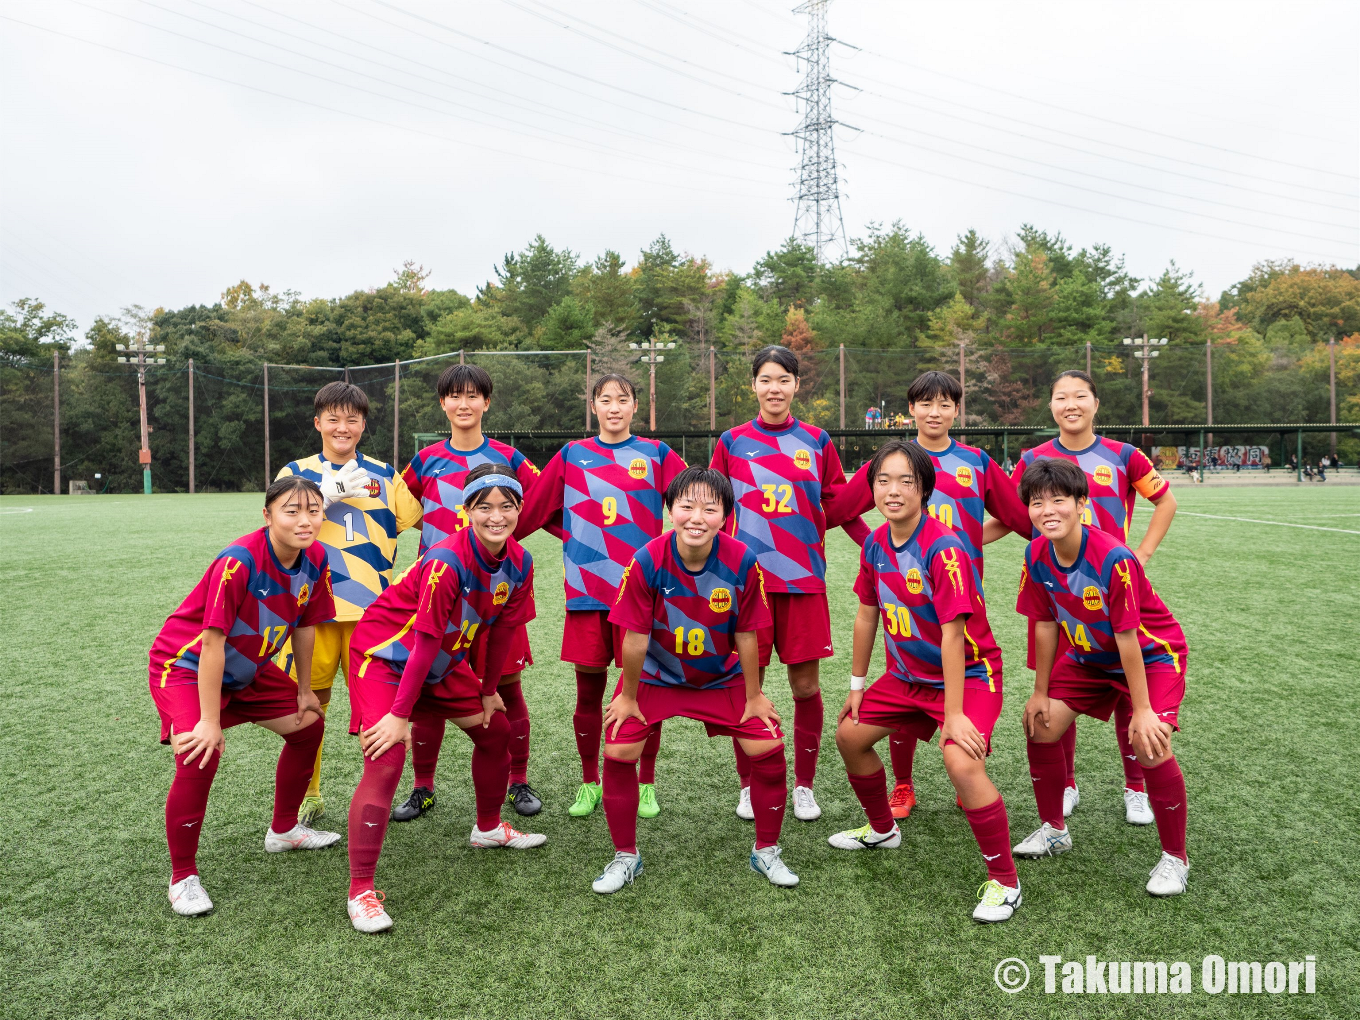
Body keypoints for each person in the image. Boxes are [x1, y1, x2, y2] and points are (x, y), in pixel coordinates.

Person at [343, 463, 546, 933]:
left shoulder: (521, 561)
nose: (496, 516)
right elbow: (423, 642)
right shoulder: (445, 561)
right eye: (484, 507)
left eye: (507, 506)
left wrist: (490, 689)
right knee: (387, 754)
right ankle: (361, 891)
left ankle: (488, 827)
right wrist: (399, 715)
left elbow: (502, 629)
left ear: (519, 509)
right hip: (386, 657)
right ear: (466, 510)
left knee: (496, 733)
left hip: (441, 660)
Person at [827, 441, 1021, 923]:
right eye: (883, 481)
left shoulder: (945, 548)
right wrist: (857, 684)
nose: (892, 491)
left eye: (905, 482)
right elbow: (867, 615)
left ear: (925, 490)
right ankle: (882, 828)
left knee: (960, 758)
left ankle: (1005, 881)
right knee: (849, 735)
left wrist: (953, 715)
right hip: (905, 677)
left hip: (970, 676)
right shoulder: (874, 543)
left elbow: (954, 638)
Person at [824, 371, 1030, 820]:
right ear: (911, 408)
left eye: (944, 404)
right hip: (906, 598)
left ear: (957, 409)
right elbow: (837, 511)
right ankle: (902, 784)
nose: (934, 412)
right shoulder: (890, 463)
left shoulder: (975, 461)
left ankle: (966, 768)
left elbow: (1020, 519)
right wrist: (878, 551)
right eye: (925, 403)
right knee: (906, 674)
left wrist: (971, 540)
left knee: (953, 677)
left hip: (957, 600)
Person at [593, 467, 798, 893]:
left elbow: (747, 632)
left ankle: (767, 850)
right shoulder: (647, 559)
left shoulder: (743, 560)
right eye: (686, 506)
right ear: (670, 511)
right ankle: (625, 856)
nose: (696, 517)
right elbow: (635, 636)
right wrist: (628, 697)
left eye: (710, 508)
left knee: (769, 747)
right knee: (618, 750)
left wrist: (755, 694)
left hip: (720, 677)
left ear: (726, 516)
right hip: (656, 674)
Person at [148, 476, 340, 917]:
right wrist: (209, 720)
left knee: (308, 725)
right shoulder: (239, 561)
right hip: (186, 666)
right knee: (201, 751)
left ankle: (285, 830)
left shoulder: (317, 557)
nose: (304, 519)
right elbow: (211, 643)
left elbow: (305, 625)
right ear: (268, 515)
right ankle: (183, 877)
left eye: (313, 510)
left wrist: (306, 690)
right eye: (291, 511)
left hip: (247, 668)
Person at [1000, 370, 1176, 827]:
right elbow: (1018, 513)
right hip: (1059, 590)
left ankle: (1135, 786)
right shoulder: (1034, 457)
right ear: (1051, 406)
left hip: (1111, 582)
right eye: (1061, 397)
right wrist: (961, 540)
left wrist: (1143, 552)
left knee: (1125, 687)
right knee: (1061, 684)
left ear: (1096, 403)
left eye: (1080, 396)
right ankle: (1067, 785)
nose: (1071, 404)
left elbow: (1166, 502)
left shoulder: (1123, 454)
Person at [1012, 459, 1191, 897]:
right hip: (1089, 657)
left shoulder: (1114, 557)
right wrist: (1041, 691)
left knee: (1149, 744)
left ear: (1082, 504)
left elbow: (1129, 637)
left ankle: (1175, 858)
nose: (1048, 510)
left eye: (1059, 500)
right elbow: (1046, 623)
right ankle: (1055, 829)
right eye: (1037, 502)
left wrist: (1144, 709)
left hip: (1150, 656)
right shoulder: (1035, 553)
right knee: (1040, 726)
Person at [514, 373, 688, 818]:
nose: (614, 407)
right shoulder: (573, 455)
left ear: (635, 408)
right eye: (605, 399)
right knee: (588, 695)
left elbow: (694, 503)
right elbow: (532, 512)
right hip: (588, 595)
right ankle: (589, 781)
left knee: (646, 692)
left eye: (623, 400)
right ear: (593, 406)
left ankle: (645, 783)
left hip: (645, 597)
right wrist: (570, 536)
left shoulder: (657, 454)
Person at [709, 345, 871, 824]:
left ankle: (803, 786)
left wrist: (875, 546)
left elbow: (840, 505)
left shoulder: (818, 441)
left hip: (803, 584)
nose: (774, 388)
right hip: (746, 587)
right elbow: (711, 508)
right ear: (753, 385)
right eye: (765, 379)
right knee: (745, 687)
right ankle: (748, 784)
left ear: (796, 385)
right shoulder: (733, 441)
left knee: (804, 687)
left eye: (783, 380)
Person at [397, 363, 553, 820]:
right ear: (442, 403)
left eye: (473, 396)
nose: (464, 404)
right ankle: (423, 786)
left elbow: (542, 502)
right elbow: (396, 513)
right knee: (429, 691)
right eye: (454, 396)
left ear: (487, 402)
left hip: (496, 595)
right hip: (440, 597)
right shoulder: (425, 460)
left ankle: (517, 780)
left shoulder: (510, 458)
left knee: (507, 688)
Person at [273, 382, 423, 825]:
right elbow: (276, 533)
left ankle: (374, 798)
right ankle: (311, 795)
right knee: (309, 708)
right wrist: (321, 495)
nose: (343, 427)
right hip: (311, 612)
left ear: (363, 424)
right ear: (318, 422)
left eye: (352, 419)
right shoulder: (293, 472)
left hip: (374, 618)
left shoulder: (385, 474)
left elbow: (424, 524)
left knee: (378, 712)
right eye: (333, 418)